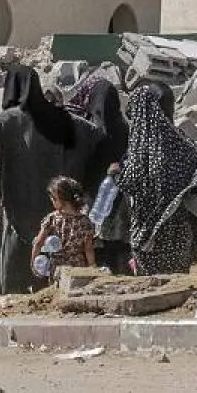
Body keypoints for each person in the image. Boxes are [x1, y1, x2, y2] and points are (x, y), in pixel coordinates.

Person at [0, 64, 102, 294]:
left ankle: (12, 296)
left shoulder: (12, 119)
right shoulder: (63, 118)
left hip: (18, 208)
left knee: (14, 264)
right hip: (57, 205)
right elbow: (94, 133)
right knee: (54, 261)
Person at [118, 82, 197, 275]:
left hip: (147, 236)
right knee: (178, 282)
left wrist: (116, 174)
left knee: (151, 285)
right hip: (179, 231)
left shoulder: (139, 147)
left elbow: (129, 182)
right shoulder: (179, 142)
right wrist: (191, 187)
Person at [65, 73, 132, 274]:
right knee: (115, 249)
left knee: (97, 249)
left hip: (96, 198)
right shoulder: (124, 128)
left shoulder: (85, 127)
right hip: (114, 198)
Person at [31, 175, 95, 284]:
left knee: (58, 292)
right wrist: (92, 267)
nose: (52, 201)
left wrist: (33, 263)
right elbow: (88, 248)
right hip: (77, 270)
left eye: (53, 198)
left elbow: (38, 243)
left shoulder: (52, 218)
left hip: (58, 269)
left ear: (60, 198)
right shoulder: (85, 221)